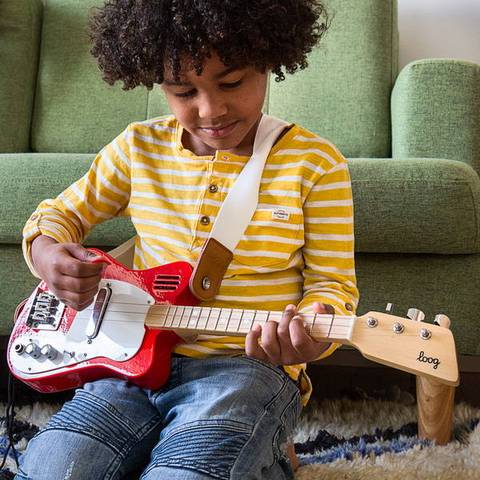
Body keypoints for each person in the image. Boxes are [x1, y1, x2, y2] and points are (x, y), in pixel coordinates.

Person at [16, 1, 358, 479]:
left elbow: (332, 288)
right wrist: (48, 252)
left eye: (232, 83)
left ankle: (257, 448)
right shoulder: (137, 148)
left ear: (270, 60)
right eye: (182, 91)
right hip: (124, 365)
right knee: (52, 470)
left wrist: (309, 335)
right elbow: (56, 215)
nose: (210, 110)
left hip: (244, 369)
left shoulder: (315, 165)